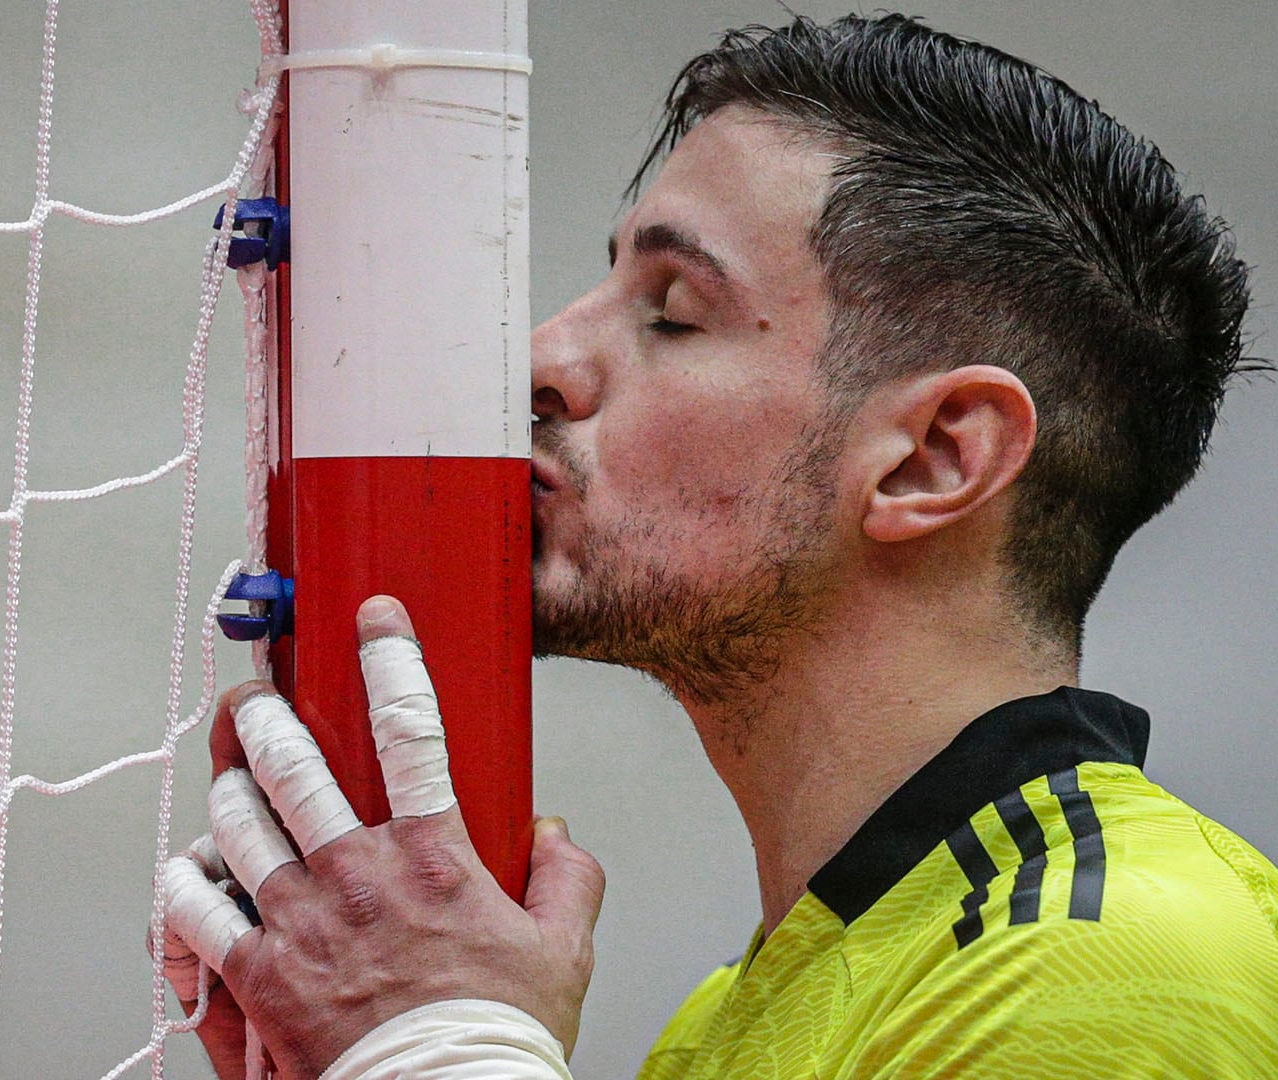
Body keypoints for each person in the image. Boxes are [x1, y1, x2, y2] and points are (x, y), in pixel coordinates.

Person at [162, 13, 1277, 1079]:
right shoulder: (742, 1013)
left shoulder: (1101, 960)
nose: (544, 354)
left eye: (673, 312)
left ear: (935, 458)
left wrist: (435, 1056)